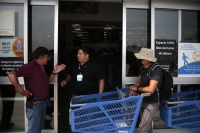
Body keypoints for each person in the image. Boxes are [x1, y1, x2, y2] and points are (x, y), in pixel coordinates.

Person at [7, 46, 66, 133]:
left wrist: (54, 72)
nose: (48, 59)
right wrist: (21, 90)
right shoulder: (30, 66)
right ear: (41, 57)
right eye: (47, 56)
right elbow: (11, 75)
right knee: (33, 130)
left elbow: (46, 82)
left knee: (38, 128)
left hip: (43, 103)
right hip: (35, 104)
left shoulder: (41, 67)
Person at [129, 47, 162, 133]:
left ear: (147, 59)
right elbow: (139, 81)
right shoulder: (142, 68)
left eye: (142, 57)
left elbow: (151, 89)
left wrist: (137, 89)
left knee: (143, 128)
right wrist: (133, 89)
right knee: (147, 127)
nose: (140, 59)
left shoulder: (156, 69)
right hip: (143, 100)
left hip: (152, 102)